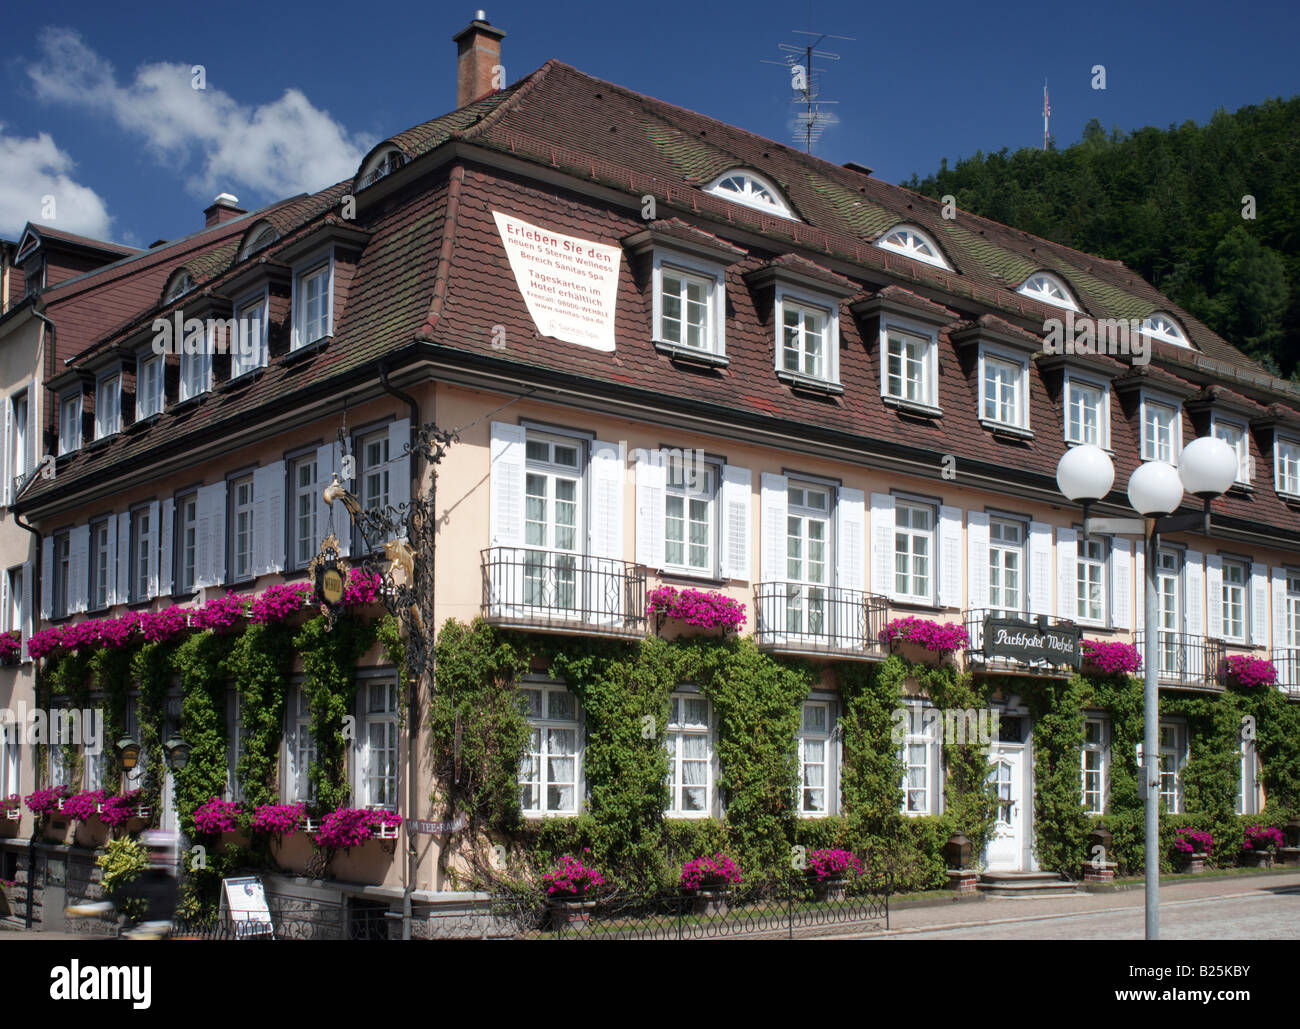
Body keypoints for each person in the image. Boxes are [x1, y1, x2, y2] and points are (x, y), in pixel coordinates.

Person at [66, 830, 180, 939]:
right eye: (156, 851)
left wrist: (156, 927)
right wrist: (98, 906)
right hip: (145, 932)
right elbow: (122, 893)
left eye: (162, 851)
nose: (158, 856)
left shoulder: (170, 882)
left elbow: (167, 910)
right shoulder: (146, 877)